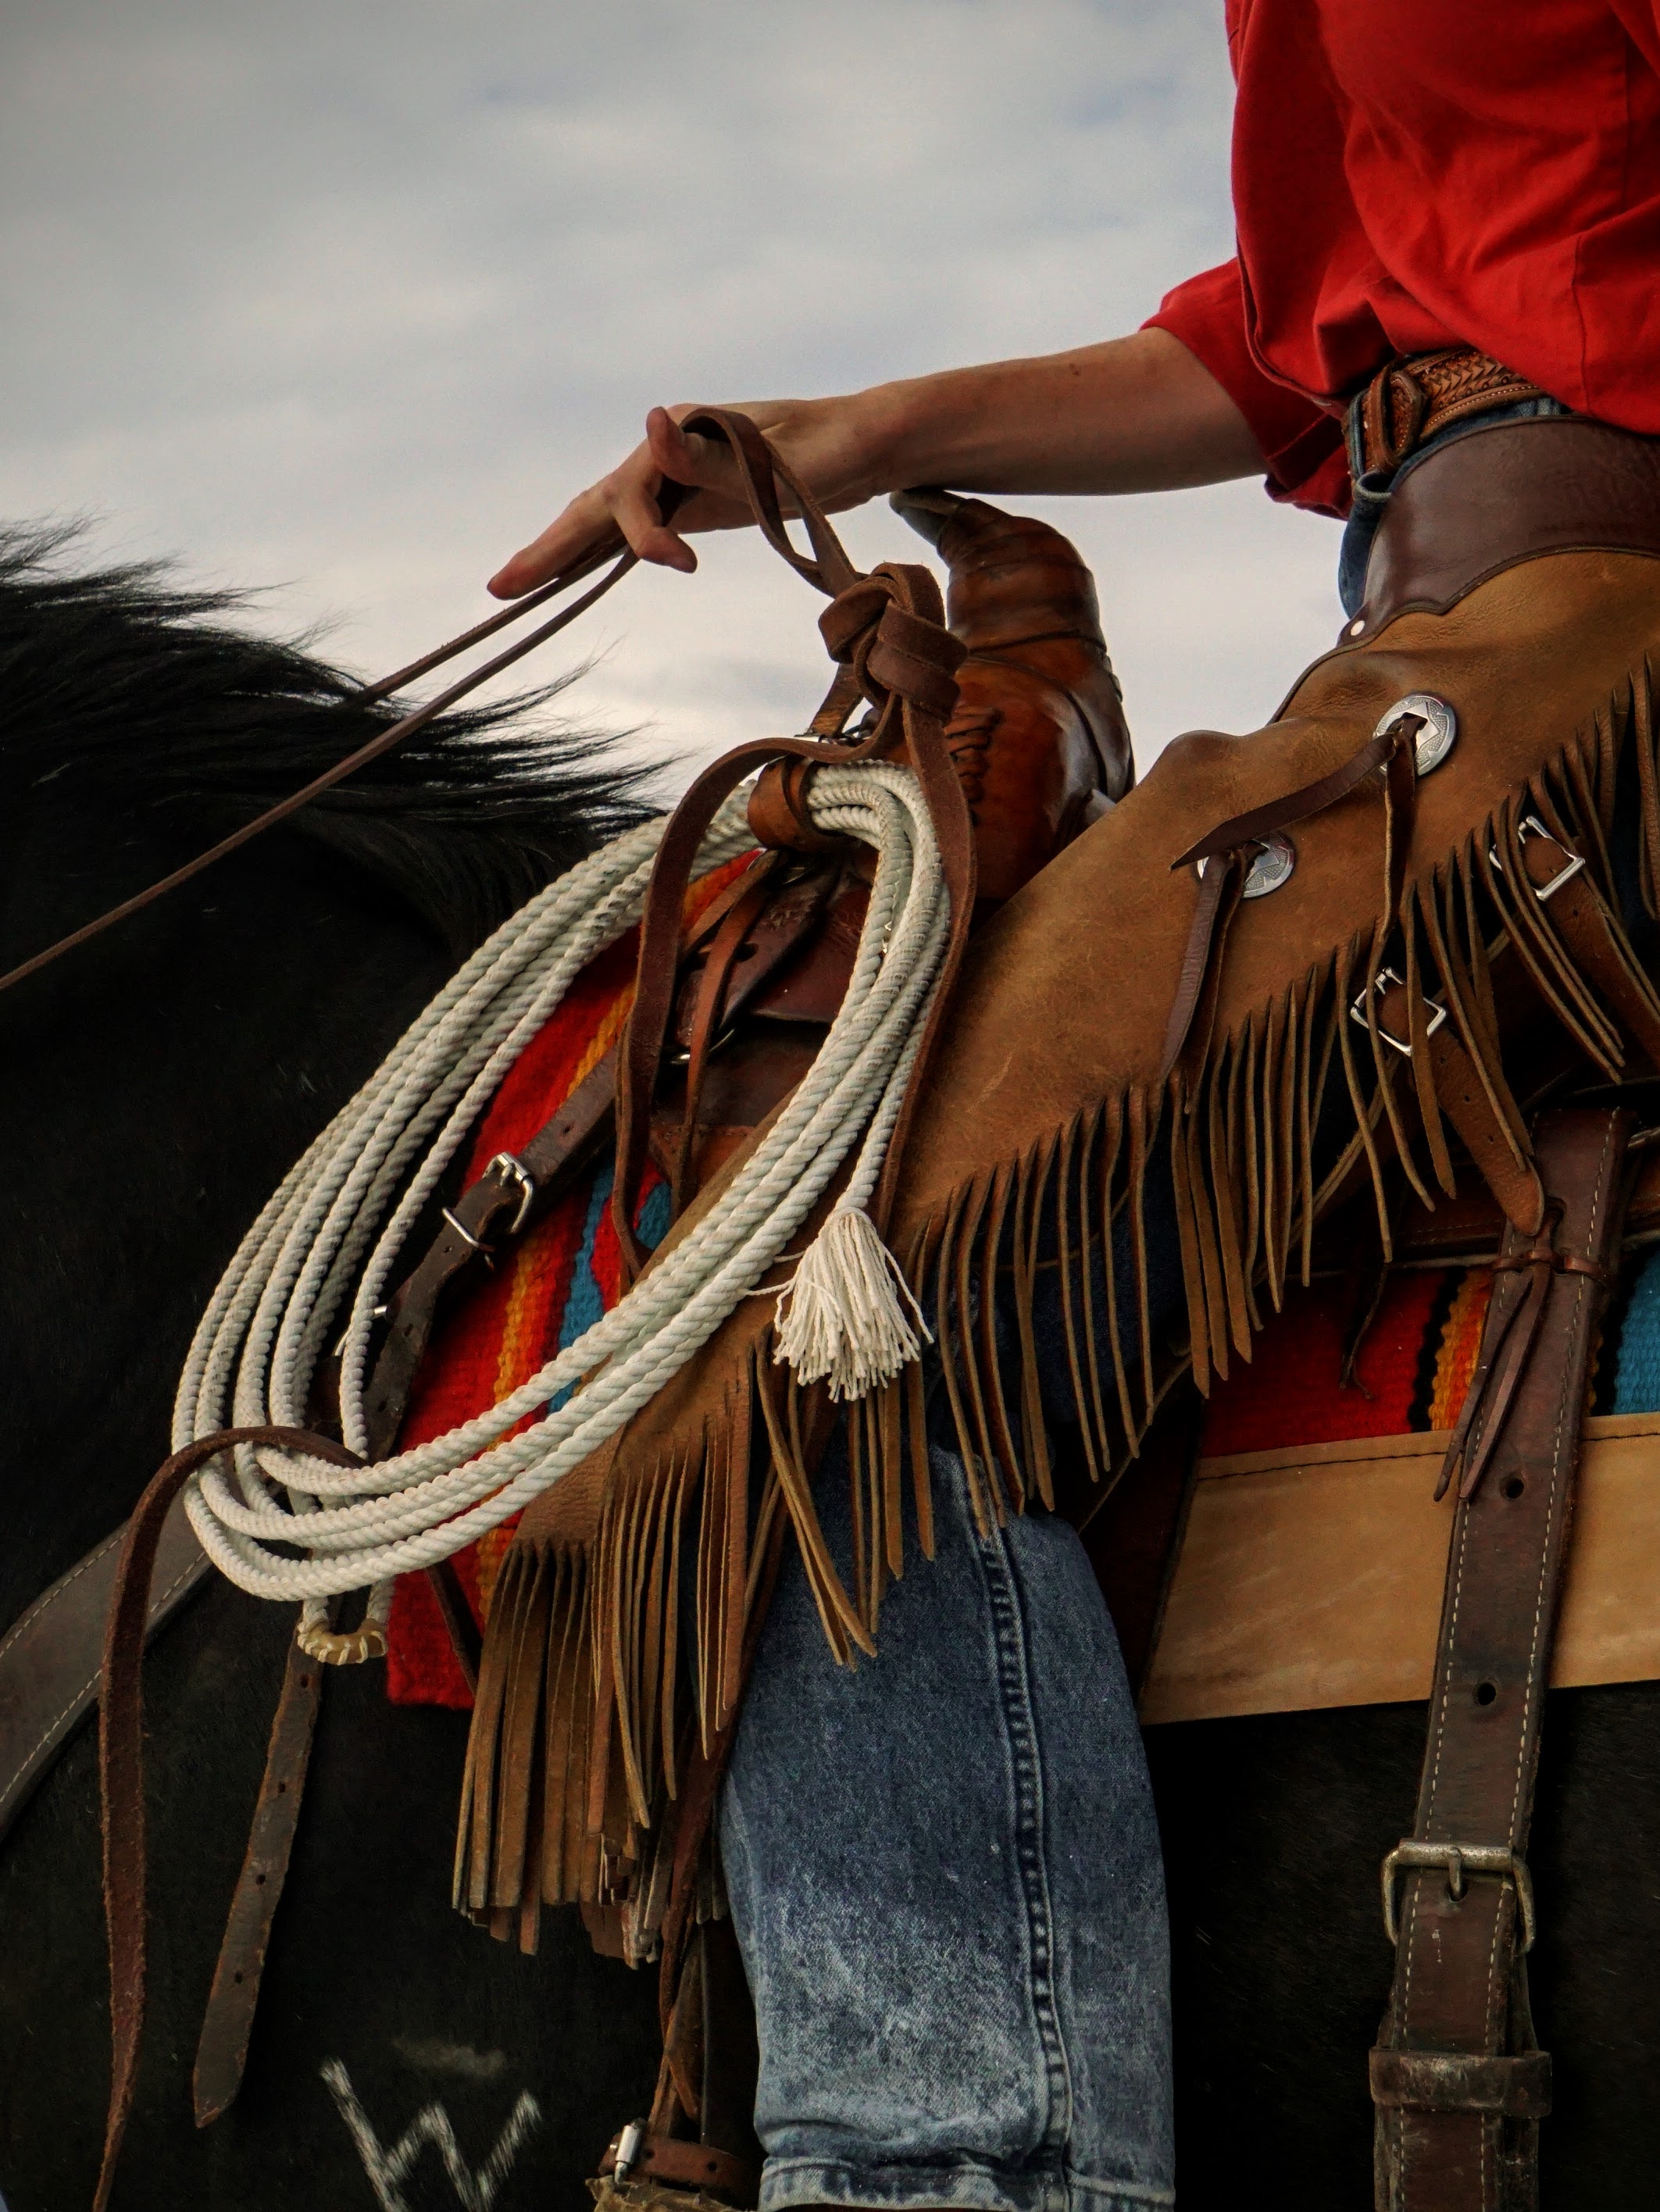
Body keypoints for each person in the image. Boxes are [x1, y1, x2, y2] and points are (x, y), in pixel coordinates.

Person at [486, 9, 1660, 2210]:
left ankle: (947, 2175)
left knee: (865, 1296)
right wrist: (849, 437)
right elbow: (1316, 331)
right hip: (1433, 629)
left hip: (1600, 636)